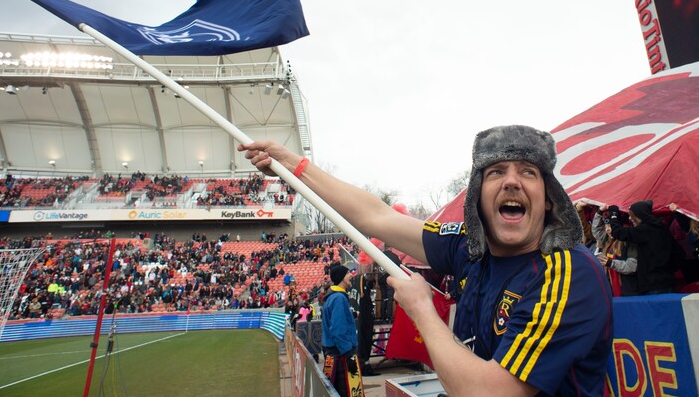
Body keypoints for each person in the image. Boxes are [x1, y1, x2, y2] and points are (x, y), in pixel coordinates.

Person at [239, 124, 613, 396]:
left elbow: (492, 393)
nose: (511, 182)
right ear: (477, 197)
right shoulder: (468, 246)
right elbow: (376, 216)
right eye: (496, 171)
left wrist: (422, 311)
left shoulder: (569, 272)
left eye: (528, 172)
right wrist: (294, 168)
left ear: (548, 199)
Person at [608, 200, 675, 294]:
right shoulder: (663, 229)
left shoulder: (644, 230)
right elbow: (679, 253)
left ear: (639, 215)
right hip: (668, 280)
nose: (630, 219)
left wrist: (614, 216)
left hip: (652, 283)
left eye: (632, 216)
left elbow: (620, 233)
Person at [321, 264, 363, 396]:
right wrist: (349, 355)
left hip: (333, 354)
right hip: (341, 356)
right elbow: (338, 330)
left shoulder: (332, 297)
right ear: (342, 277)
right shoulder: (339, 298)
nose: (351, 275)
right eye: (348, 273)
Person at [591, 203, 639, 296]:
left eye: (610, 226)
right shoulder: (608, 241)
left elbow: (632, 267)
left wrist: (610, 263)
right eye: (606, 227)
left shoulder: (629, 242)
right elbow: (596, 231)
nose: (608, 230)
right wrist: (599, 212)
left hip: (628, 291)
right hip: (611, 290)